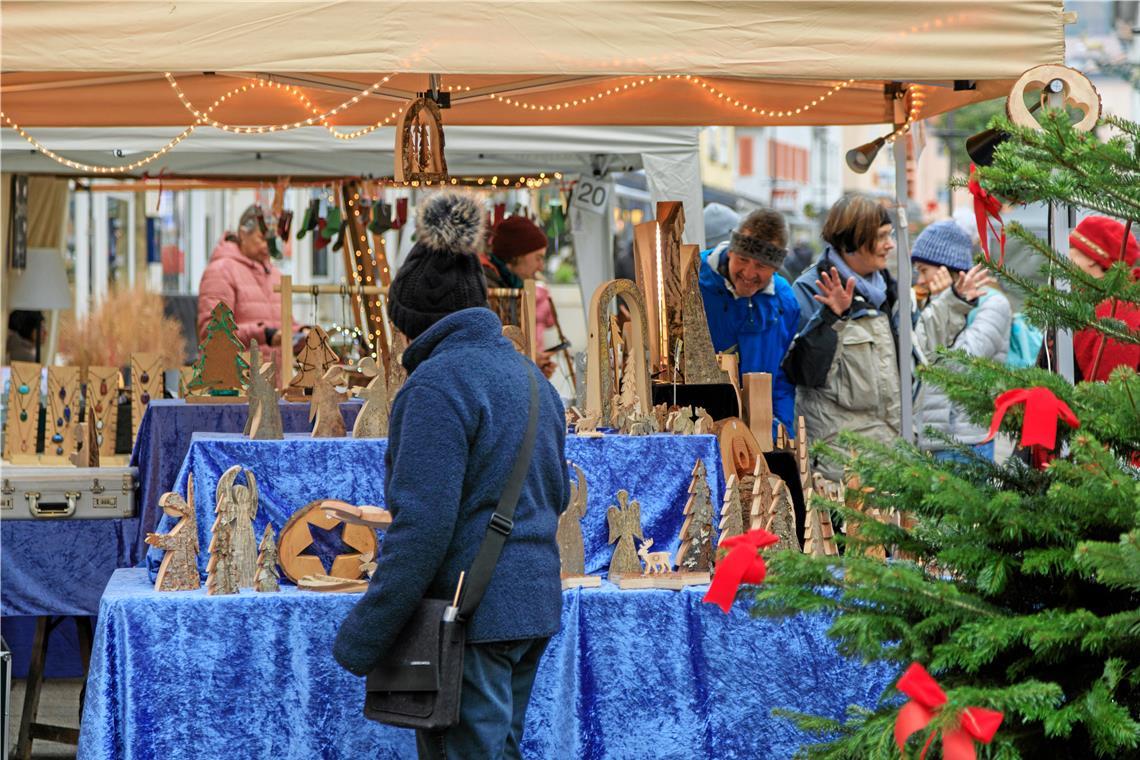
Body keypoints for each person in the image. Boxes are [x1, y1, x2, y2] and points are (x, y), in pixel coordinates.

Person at [333, 191, 569, 760]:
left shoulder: (437, 386)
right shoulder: (532, 380)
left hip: (473, 616)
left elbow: (423, 527)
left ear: (415, 323)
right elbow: (557, 496)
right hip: (530, 608)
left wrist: (365, 633)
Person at [783, 195, 991, 481]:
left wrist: (954, 302)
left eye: (890, 235)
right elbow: (804, 372)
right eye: (881, 237)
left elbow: (915, 351)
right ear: (853, 240)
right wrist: (832, 319)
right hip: (842, 470)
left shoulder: (887, 290)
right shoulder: (813, 289)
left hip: (891, 457)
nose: (891, 245)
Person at [911, 220, 1011, 462]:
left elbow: (960, 364)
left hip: (966, 441)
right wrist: (943, 304)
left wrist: (945, 303)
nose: (920, 279)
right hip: (928, 438)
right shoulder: (931, 305)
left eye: (924, 270)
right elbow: (920, 361)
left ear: (948, 268)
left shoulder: (993, 304)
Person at [698, 207, 800, 435]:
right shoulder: (692, 280)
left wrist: (779, 428)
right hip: (700, 428)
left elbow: (783, 375)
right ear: (732, 251)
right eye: (743, 259)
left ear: (775, 268)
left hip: (759, 433)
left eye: (761, 266)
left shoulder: (784, 303)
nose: (748, 272)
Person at [197, 205, 294, 349]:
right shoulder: (221, 272)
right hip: (239, 371)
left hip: (275, 371)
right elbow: (213, 333)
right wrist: (263, 335)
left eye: (273, 240)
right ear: (243, 234)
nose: (268, 245)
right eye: (262, 238)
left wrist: (302, 332)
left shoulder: (274, 274)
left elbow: (286, 323)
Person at [483, 215, 557, 377]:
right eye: (538, 258)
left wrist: (533, 367)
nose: (541, 266)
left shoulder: (511, 285)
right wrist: (526, 360)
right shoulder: (487, 287)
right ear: (517, 255)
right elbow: (488, 351)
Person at [1069, 216, 1140, 382]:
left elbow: (1108, 393)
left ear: (1093, 259)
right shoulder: (1089, 305)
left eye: (1071, 249)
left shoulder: (1120, 315)